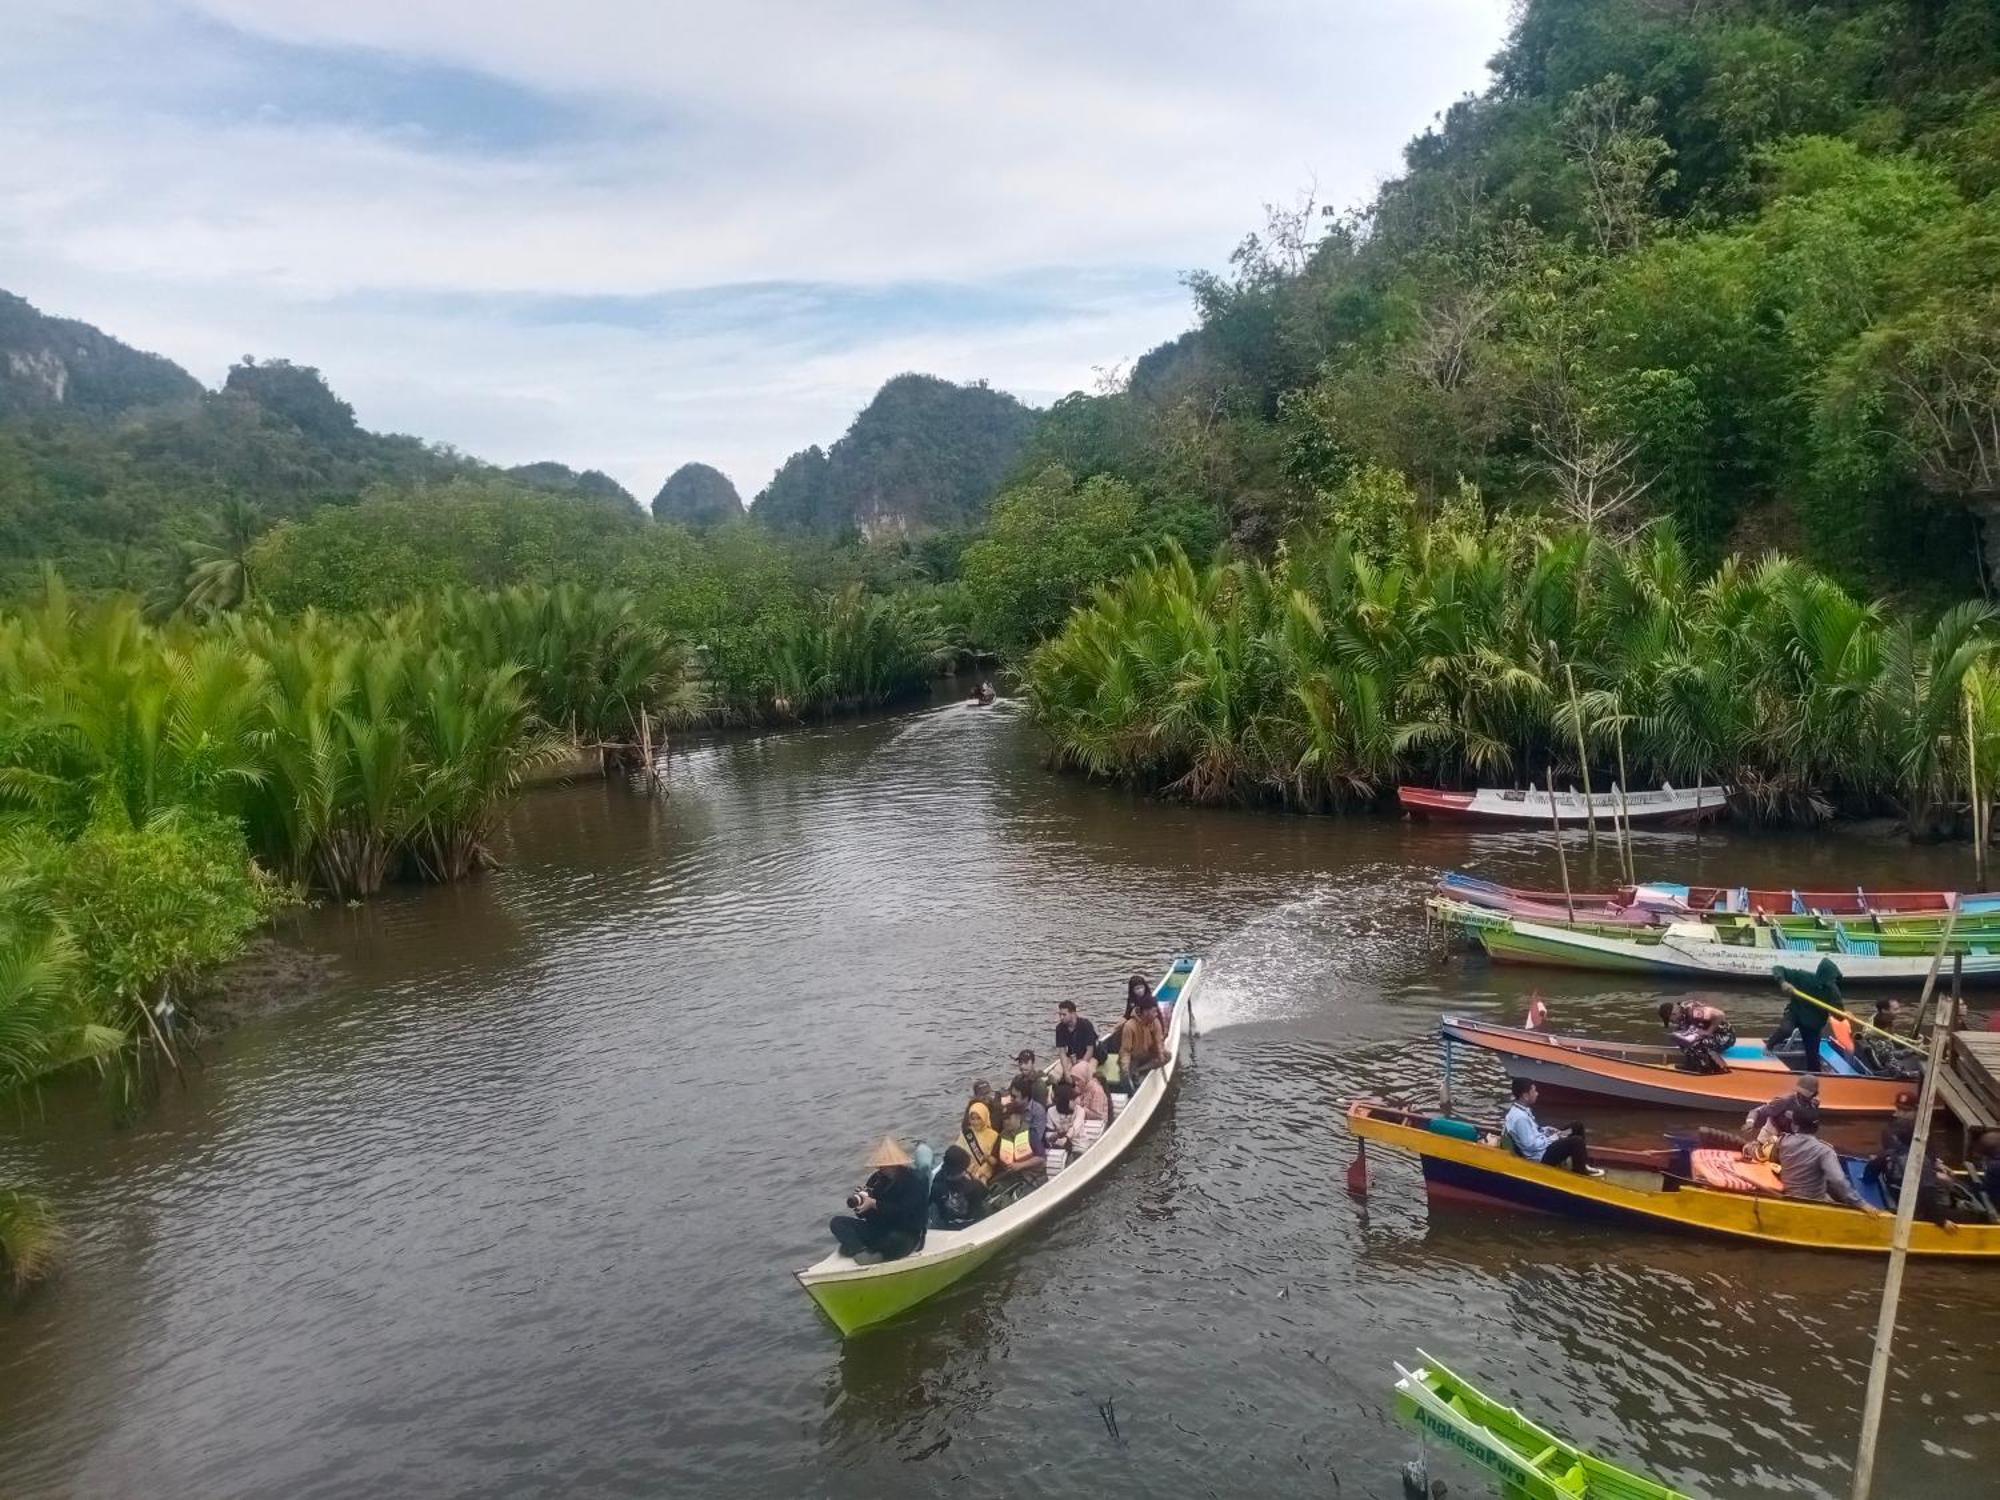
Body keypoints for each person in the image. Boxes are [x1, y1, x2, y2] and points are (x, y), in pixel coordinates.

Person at [828, 1138, 932, 1260]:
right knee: (837, 1222)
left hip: (905, 1231)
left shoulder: (913, 1182)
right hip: (879, 1228)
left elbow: (903, 1213)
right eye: (880, 1165)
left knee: (895, 1239)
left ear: (895, 1165)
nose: (881, 1168)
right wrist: (861, 1206)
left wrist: (875, 1204)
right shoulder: (876, 1179)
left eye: (885, 1166)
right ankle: (860, 1250)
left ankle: (868, 1250)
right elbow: (867, 1216)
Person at [1776, 1116, 1877, 1211]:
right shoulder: (1824, 1151)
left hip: (1789, 1197)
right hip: (1815, 1201)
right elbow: (1838, 1180)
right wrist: (1860, 1203)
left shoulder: (1782, 1142)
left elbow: (1769, 1153)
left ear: (1794, 1125)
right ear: (1816, 1127)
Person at [1501, 1079, 1598, 1174]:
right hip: (1541, 1156)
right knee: (1576, 1142)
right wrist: (1553, 1138)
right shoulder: (1520, 1119)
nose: (1537, 1094)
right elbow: (1531, 1146)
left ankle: (1583, 1163)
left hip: (1543, 1144)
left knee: (1576, 1127)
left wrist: (1545, 1130)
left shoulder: (1522, 1110)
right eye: (1534, 1091)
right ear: (1526, 1096)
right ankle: (1580, 1172)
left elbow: (1533, 1131)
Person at [1768, 958, 1843, 1073]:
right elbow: (1778, 969)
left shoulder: (1834, 992)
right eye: (1830, 979)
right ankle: (1769, 1045)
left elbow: (1839, 1017)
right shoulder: (1804, 977)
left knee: (1813, 1059)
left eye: (1833, 979)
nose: (1831, 982)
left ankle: (1813, 1079)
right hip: (1795, 1013)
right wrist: (1783, 982)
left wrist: (1844, 1015)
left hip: (1813, 1025)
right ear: (1821, 976)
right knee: (1786, 1029)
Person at [1657, 999, 1734, 1073]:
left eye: (1671, 1020)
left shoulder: (1693, 1011)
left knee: (1697, 1042)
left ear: (1673, 1014)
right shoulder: (1681, 1014)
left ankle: (1716, 1066)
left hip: (1725, 1036)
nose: (1673, 1023)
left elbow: (1720, 1015)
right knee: (1680, 1038)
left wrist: (1708, 1031)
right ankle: (1691, 1064)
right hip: (1709, 1034)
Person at [1744, 1076, 1820, 1150]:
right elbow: (1757, 1111)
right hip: (1770, 1137)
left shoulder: (1812, 1106)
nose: (1803, 1097)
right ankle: (1751, 1148)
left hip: (1791, 1141)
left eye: (1807, 1095)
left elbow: (1812, 1128)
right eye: (1801, 1093)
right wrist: (1750, 1122)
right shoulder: (1783, 1101)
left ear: (1814, 1094)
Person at [929, 1145, 989, 1228]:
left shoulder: (936, 1184)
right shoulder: (973, 1186)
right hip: (971, 1225)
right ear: (962, 1170)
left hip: (946, 1224)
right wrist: (981, 1180)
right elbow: (985, 1193)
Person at [1119, 993, 1167, 1089]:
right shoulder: (1129, 1026)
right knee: (1126, 1077)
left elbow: (1159, 1041)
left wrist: (1160, 1054)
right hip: (1134, 1057)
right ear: (1145, 1012)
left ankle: (1140, 1070)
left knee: (1167, 1056)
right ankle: (1134, 1074)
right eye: (1154, 1012)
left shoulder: (1155, 1022)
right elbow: (1126, 1051)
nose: (1156, 1014)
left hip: (1147, 1054)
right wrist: (1125, 1068)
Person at [1853, 999, 1907, 1075]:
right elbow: (1894, 1065)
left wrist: (1912, 1043)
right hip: (1884, 1063)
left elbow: (1892, 1036)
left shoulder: (1877, 1017)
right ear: (1884, 1011)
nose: (1899, 1012)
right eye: (1895, 1009)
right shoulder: (1881, 1043)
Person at [959, 1100, 999, 1186]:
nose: (976, 1122)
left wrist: (979, 1173)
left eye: (978, 1118)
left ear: (984, 1117)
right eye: (972, 1119)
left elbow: (992, 1162)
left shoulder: (993, 1135)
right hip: (966, 1169)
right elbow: (958, 1151)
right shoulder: (966, 1133)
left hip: (985, 1173)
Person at [1056, 1000, 1099, 1066]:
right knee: (1056, 1073)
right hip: (1074, 1056)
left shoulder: (1086, 1025)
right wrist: (1066, 1071)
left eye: (1064, 1015)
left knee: (1080, 1070)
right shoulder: (1060, 1028)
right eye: (1060, 1014)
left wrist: (1080, 1066)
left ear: (1073, 1013)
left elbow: (1090, 1050)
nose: (1061, 1017)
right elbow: (1062, 1052)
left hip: (1092, 1056)